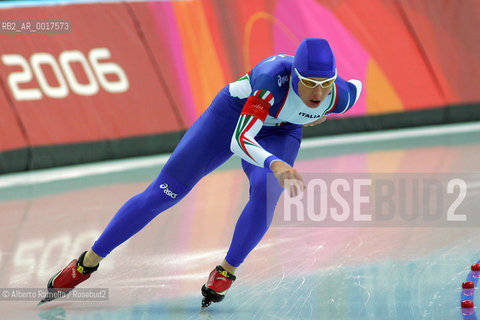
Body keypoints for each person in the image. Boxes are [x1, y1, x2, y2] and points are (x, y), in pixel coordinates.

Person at [39, 38, 362, 307]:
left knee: (266, 194)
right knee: (164, 193)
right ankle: (87, 263)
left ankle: (226, 271)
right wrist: (273, 162)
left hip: (280, 132)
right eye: (308, 84)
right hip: (232, 119)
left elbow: (359, 87)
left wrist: (317, 112)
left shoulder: (338, 95)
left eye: (324, 85)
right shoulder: (270, 81)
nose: (317, 93)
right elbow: (240, 140)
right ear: (294, 77)